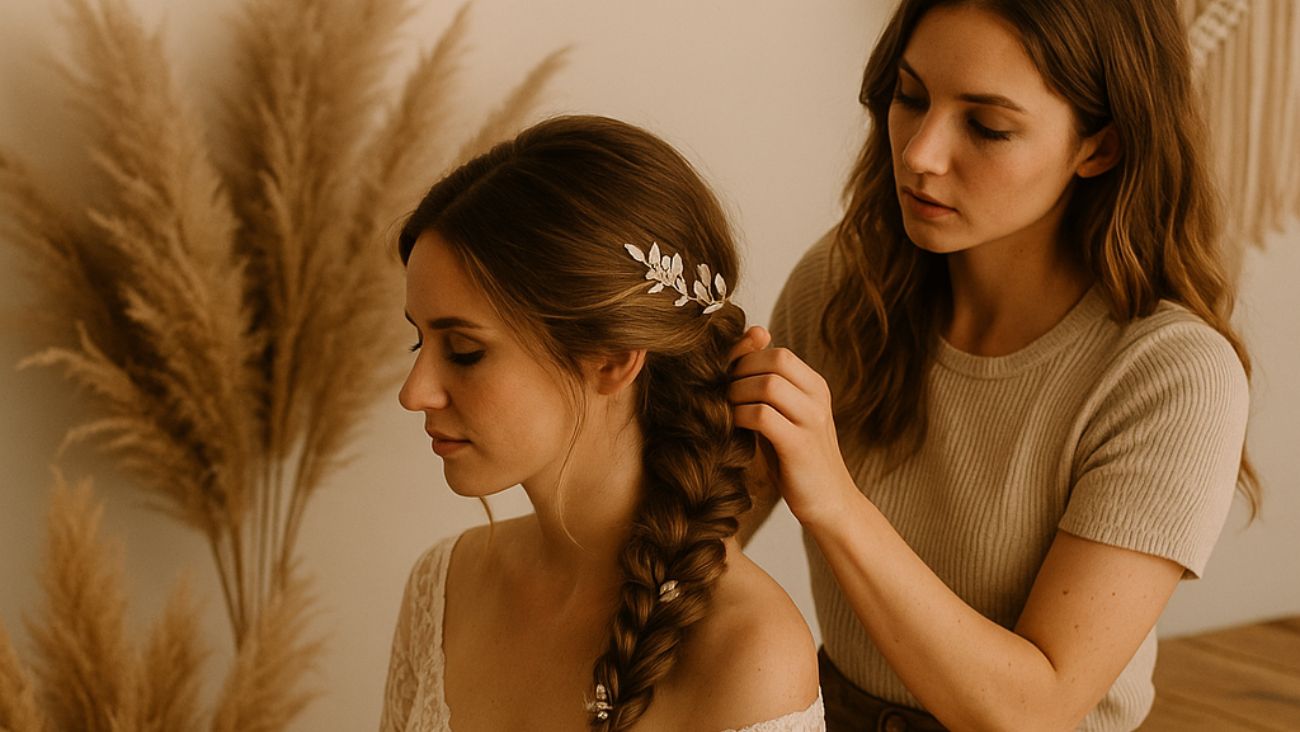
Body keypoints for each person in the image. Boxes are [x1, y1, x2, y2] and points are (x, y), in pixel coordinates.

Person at [728, 1, 1254, 730]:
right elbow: (697, 538)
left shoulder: (1172, 375)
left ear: (1098, 147)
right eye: (911, 97)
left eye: (987, 126)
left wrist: (834, 499)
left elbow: (1034, 711)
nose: (919, 153)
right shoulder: (842, 288)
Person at [380, 115, 823, 731]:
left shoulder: (752, 655)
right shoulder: (442, 586)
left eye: (464, 351)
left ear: (612, 360)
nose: (414, 393)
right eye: (416, 342)